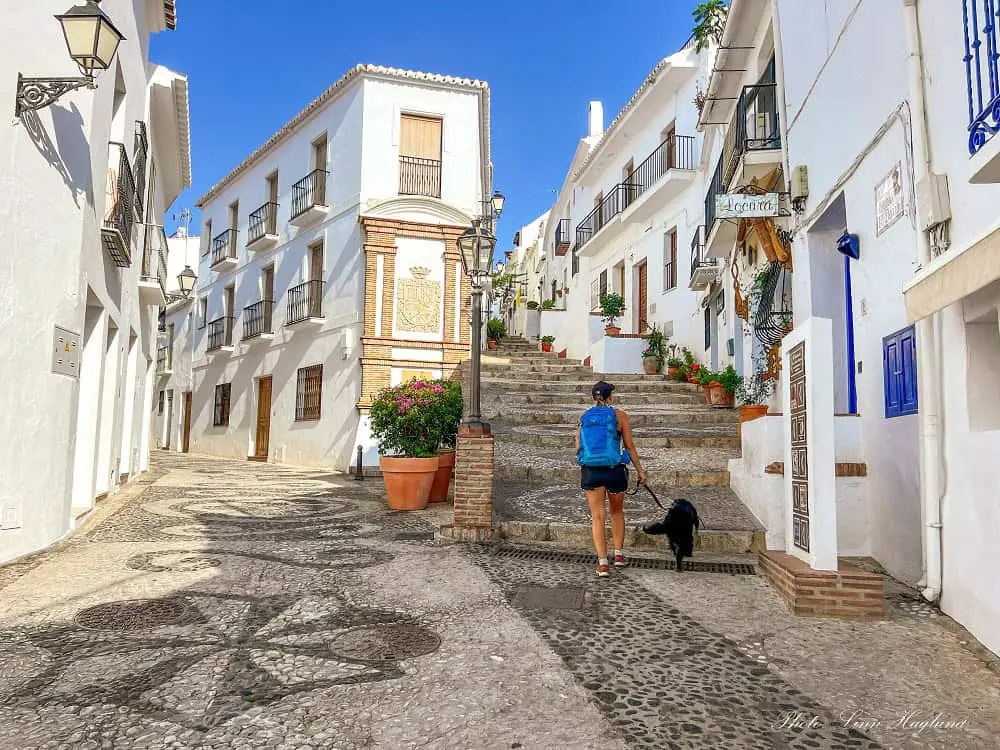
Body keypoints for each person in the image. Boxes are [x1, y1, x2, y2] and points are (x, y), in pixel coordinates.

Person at [575, 381, 646, 577]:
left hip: (591, 471)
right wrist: (640, 471)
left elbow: (578, 446)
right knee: (616, 512)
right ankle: (619, 554)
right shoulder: (619, 415)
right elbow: (630, 446)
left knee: (597, 516)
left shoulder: (584, 417)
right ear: (610, 397)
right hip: (614, 471)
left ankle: (603, 563)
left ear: (593, 398)